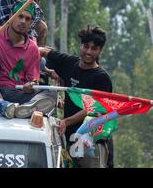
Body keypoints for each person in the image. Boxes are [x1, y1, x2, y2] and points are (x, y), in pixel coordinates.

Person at [39, 26, 113, 168]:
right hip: (69, 138)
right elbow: (43, 51)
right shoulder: (69, 62)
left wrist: (66, 121)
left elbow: (90, 110)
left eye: (94, 48)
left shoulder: (102, 78)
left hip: (91, 143)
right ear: (81, 46)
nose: (89, 52)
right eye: (86, 46)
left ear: (100, 51)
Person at [0, 2, 56, 118]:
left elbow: (34, 80)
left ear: (30, 23)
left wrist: (30, 85)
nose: (23, 21)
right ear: (11, 17)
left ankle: (23, 109)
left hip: (18, 92)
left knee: (52, 92)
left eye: (27, 19)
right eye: (20, 16)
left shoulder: (33, 48)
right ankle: (14, 107)